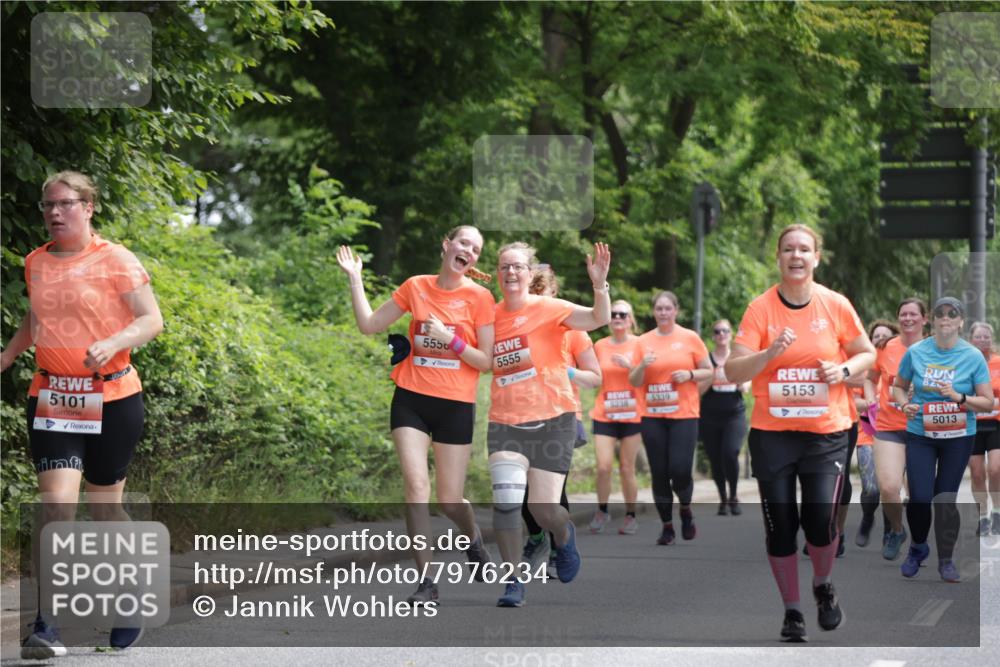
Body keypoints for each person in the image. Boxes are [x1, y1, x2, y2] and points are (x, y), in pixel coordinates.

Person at [1, 171, 164, 658]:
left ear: (88, 207)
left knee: (105, 509)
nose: (54, 213)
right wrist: (8, 356)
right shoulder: (36, 262)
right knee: (56, 507)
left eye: (65, 204)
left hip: (113, 397)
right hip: (54, 395)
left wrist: (113, 342)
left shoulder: (116, 259)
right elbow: (37, 316)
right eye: (47, 205)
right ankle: (46, 625)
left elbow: (151, 320)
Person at [726, 223, 875, 642]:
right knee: (779, 527)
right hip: (773, 433)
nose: (796, 256)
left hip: (825, 432)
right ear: (778, 257)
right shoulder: (761, 310)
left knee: (820, 522)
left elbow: (867, 352)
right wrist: (769, 353)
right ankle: (792, 612)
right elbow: (732, 369)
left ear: (816, 258)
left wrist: (842, 370)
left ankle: (823, 585)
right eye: (788, 249)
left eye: (804, 249)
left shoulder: (835, 305)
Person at [336, 226, 495, 606]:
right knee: (417, 489)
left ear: (474, 260)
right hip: (411, 399)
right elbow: (369, 325)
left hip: (455, 404)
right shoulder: (416, 286)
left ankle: (472, 540)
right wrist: (356, 280)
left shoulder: (481, 298)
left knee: (449, 500)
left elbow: (486, 362)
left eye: (475, 249)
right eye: (463, 243)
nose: (468, 251)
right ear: (446, 244)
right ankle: (427, 581)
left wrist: (450, 340)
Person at [489, 242, 610, 608]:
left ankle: (564, 533)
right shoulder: (488, 316)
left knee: (543, 509)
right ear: (497, 273)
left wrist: (600, 286)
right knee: (508, 503)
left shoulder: (550, 309)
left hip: (553, 418)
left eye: (518, 267)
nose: (511, 273)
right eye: (504, 267)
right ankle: (513, 582)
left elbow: (596, 318)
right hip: (505, 420)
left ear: (530, 274)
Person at [892, 297, 993, 582]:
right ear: (932, 320)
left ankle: (946, 560)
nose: (946, 318)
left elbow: (987, 402)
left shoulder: (972, 356)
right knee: (920, 498)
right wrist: (903, 404)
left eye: (953, 314)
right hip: (921, 434)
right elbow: (897, 387)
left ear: (961, 321)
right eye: (940, 314)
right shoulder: (916, 352)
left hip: (958, 436)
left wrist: (960, 397)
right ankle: (917, 547)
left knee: (944, 498)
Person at [519, 267, 602, 574]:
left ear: (554, 294)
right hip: (520, 415)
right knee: (524, 491)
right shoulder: (518, 324)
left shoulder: (573, 329)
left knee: (553, 491)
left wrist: (565, 372)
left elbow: (595, 377)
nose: (539, 302)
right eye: (534, 294)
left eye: (545, 294)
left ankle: (559, 545)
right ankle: (538, 536)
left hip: (561, 417)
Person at [629, 291, 712, 545]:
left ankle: (685, 509)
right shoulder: (643, 341)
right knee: (659, 472)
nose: (663, 312)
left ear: (676, 311)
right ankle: (667, 527)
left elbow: (709, 370)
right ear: (654, 312)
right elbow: (633, 380)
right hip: (652, 415)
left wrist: (689, 374)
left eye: (668, 308)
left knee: (680, 469)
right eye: (659, 308)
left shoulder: (690, 338)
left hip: (684, 415)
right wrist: (642, 365)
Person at [869, 299, 928, 560]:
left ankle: (918, 543)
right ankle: (896, 529)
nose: (907, 318)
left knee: (918, 494)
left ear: (924, 319)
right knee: (889, 487)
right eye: (903, 314)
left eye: (913, 314)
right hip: (889, 426)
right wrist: (871, 399)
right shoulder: (885, 347)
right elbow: (870, 379)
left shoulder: (936, 348)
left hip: (923, 429)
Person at [590, 300, 645, 535]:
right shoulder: (600, 345)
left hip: (632, 413)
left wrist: (631, 365)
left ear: (631, 319)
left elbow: (647, 377)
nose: (618, 317)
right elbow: (591, 374)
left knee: (626, 468)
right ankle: (602, 510)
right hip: (605, 412)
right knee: (603, 467)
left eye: (623, 314)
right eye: (614, 314)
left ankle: (630, 515)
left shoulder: (640, 344)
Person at [854, 320, 899, 548]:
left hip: (894, 436)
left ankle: (890, 531)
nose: (880, 339)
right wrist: (871, 404)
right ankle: (868, 516)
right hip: (867, 436)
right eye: (876, 336)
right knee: (871, 488)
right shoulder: (862, 369)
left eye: (886, 336)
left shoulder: (900, 366)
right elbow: (852, 401)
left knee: (890, 488)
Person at [698, 318, 749, 516]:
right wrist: (712, 377)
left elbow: (746, 385)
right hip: (710, 415)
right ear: (713, 336)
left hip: (734, 414)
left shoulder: (737, 359)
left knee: (730, 452)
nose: (721, 335)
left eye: (725, 331)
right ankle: (722, 498)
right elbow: (697, 391)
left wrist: (738, 381)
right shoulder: (707, 360)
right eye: (718, 331)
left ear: (730, 335)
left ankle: (734, 495)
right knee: (715, 459)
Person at [969, 321, 1000, 536]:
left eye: (986, 336)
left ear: (992, 339)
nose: (982, 340)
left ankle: (997, 512)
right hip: (972, 423)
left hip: (996, 422)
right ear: (971, 340)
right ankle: (983, 516)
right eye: (978, 337)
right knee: (977, 473)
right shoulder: (965, 363)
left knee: (995, 470)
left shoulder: (998, 362)